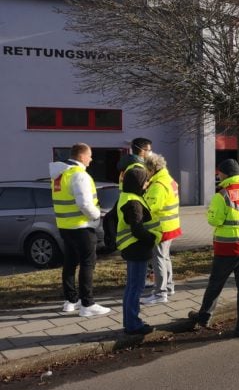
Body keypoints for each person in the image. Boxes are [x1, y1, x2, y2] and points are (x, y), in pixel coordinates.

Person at [189, 159, 239, 338]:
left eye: (219, 173)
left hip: (226, 248)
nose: (218, 175)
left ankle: (204, 317)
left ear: (224, 174)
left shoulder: (222, 195)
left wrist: (211, 212)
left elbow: (214, 221)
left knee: (215, 284)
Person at [50, 143, 111, 317]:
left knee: (69, 263)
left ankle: (71, 301)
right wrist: (96, 215)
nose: (91, 159)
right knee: (87, 263)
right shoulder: (80, 175)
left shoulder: (60, 175)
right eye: (90, 155)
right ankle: (87, 304)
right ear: (82, 156)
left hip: (65, 226)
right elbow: (84, 203)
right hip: (82, 227)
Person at [117, 167, 161, 334]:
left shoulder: (127, 196)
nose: (147, 184)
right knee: (136, 287)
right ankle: (133, 325)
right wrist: (152, 238)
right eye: (145, 181)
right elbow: (137, 229)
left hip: (132, 248)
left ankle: (130, 322)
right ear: (139, 183)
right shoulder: (133, 202)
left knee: (131, 287)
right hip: (137, 248)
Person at [141, 154, 182, 305]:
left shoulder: (158, 185)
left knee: (158, 258)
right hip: (170, 225)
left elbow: (150, 208)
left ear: (151, 169)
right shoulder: (169, 180)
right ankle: (169, 287)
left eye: (146, 168)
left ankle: (160, 293)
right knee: (165, 257)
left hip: (160, 227)